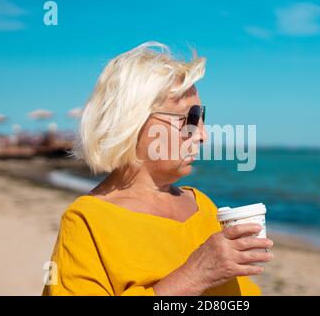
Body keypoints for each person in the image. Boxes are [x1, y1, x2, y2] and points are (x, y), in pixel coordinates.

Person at [42, 42, 273, 296]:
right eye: (191, 118)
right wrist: (193, 276)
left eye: (202, 117)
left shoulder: (203, 207)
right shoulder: (87, 223)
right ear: (133, 122)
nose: (203, 135)